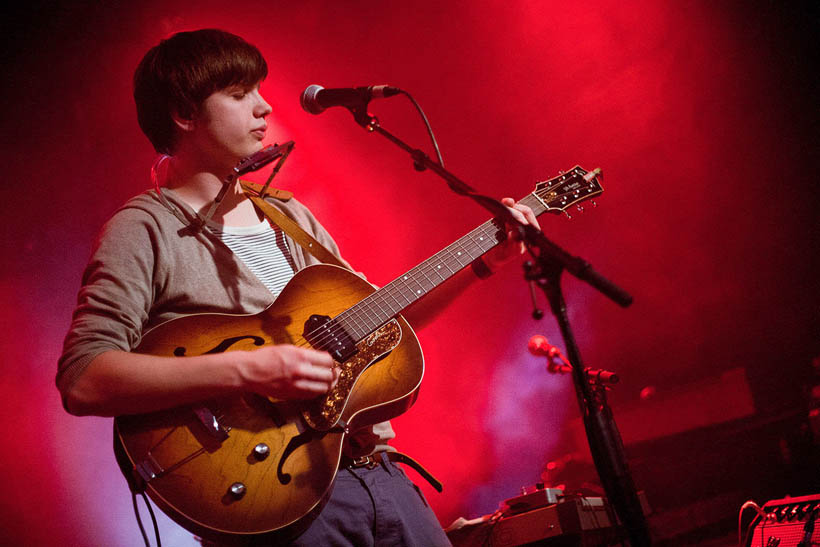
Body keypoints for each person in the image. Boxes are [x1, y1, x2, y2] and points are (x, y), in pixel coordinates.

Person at [57, 28, 539, 546]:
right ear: (184, 114)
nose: (264, 108)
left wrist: (482, 263)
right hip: (272, 501)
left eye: (260, 91)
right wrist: (249, 367)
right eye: (241, 95)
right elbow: (85, 379)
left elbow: (380, 321)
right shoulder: (144, 227)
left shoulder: (290, 214)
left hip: (378, 472)